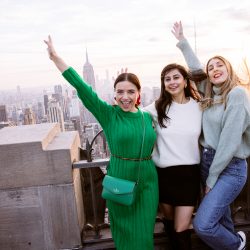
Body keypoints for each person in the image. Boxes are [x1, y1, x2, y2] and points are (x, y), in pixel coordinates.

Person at [44, 36, 159, 250]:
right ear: (114, 95)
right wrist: (56, 58)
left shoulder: (147, 116)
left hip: (148, 182)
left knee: (145, 236)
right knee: (126, 237)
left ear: (139, 94)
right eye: (120, 92)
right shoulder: (109, 114)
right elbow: (82, 88)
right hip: (120, 180)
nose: (125, 96)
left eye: (131, 91)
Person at [173, 21, 250, 250]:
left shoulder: (236, 95)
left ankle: (237, 244)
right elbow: (196, 70)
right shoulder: (210, 94)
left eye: (220, 65)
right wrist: (183, 41)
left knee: (204, 224)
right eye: (211, 67)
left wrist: (212, 178)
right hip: (208, 161)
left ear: (229, 69)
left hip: (230, 167)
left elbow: (229, 142)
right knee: (221, 221)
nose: (214, 69)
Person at [144, 60, 206, 249]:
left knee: (181, 228)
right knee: (170, 224)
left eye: (176, 77)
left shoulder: (199, 107)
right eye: (167, 79)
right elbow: (133, 115)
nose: (172, 82)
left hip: (189, 176)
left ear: (186, 81)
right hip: (163, 175)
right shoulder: (156, 107)